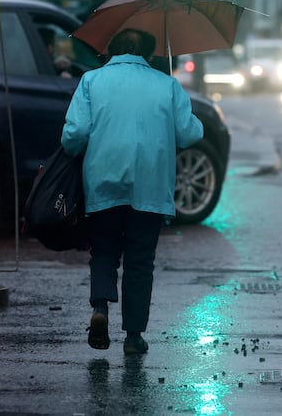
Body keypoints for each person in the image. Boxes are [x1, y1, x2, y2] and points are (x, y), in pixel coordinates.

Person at [60, 29, 203, 354]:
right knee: (140, 261)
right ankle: (134, 336)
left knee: (104, 250)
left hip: (103, 180)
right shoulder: (166, 85)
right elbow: (190, 134)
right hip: (151, 187)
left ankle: (100, 308)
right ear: (150, 53)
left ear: (112, 48)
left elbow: (75, 134)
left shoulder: (92, 81)